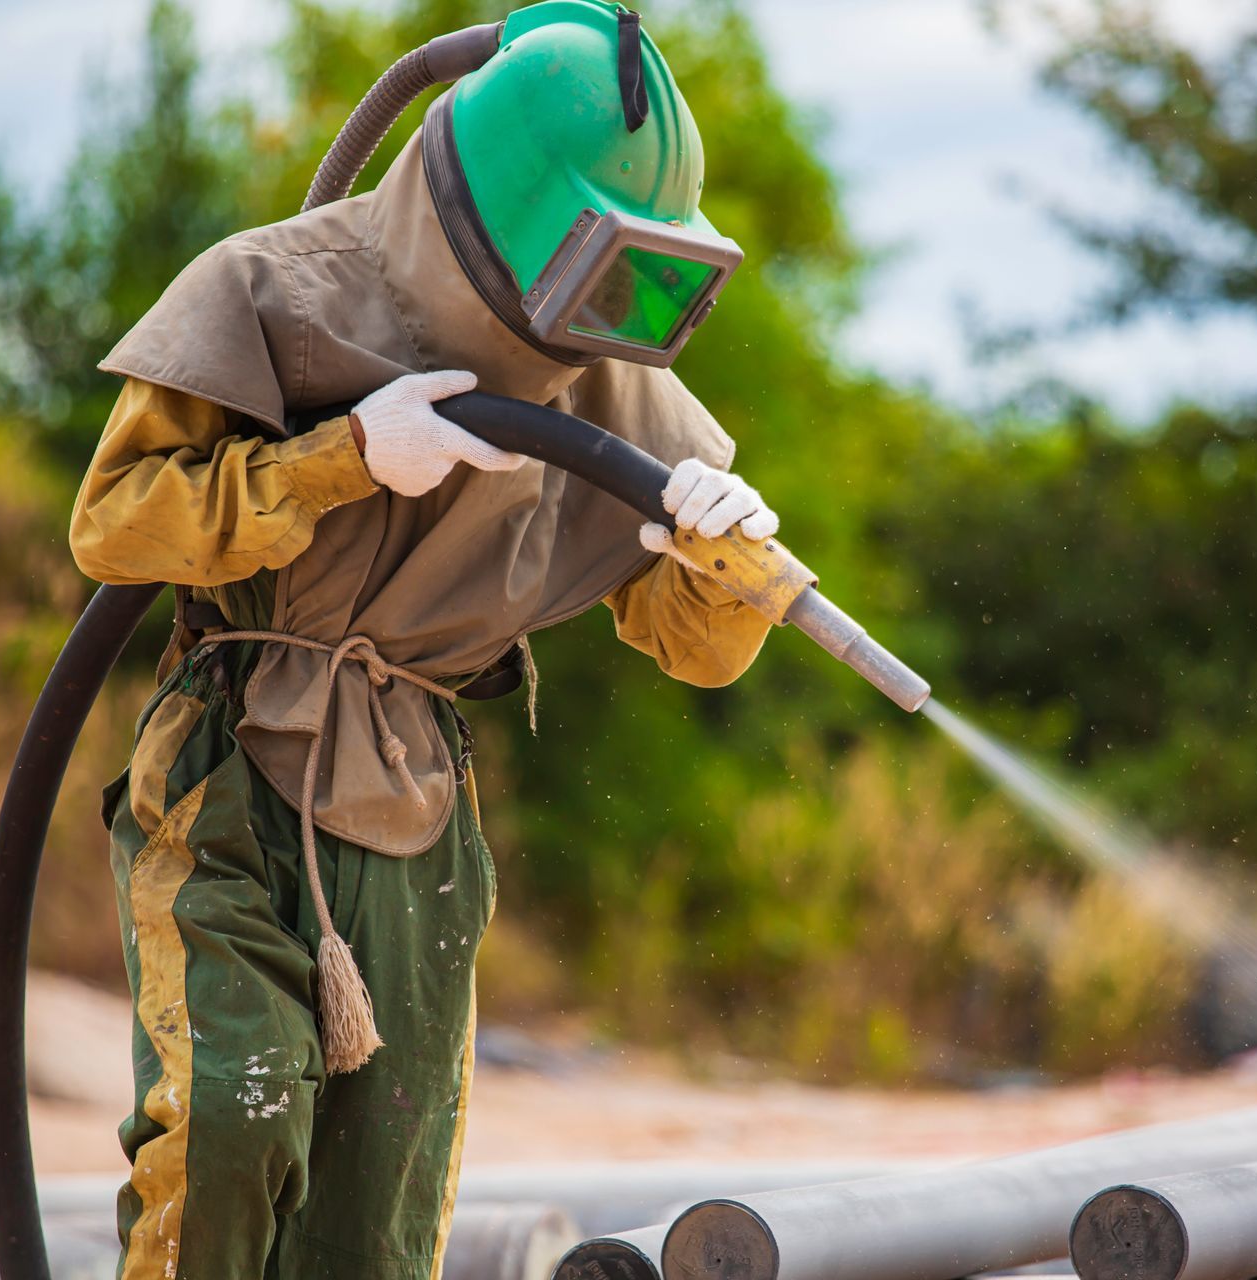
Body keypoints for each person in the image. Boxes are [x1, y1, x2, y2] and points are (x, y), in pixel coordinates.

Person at [66, 4, 779, 1276]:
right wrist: (342, 458)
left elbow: (693, 644)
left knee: (376, 1216)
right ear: (500, 220)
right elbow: (116, 524)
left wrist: (725, 566)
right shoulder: (273, 286)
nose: (603, 316)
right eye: (592, 269)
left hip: (416, 818)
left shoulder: (616, 384)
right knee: (231, 1116)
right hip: (233, 766)